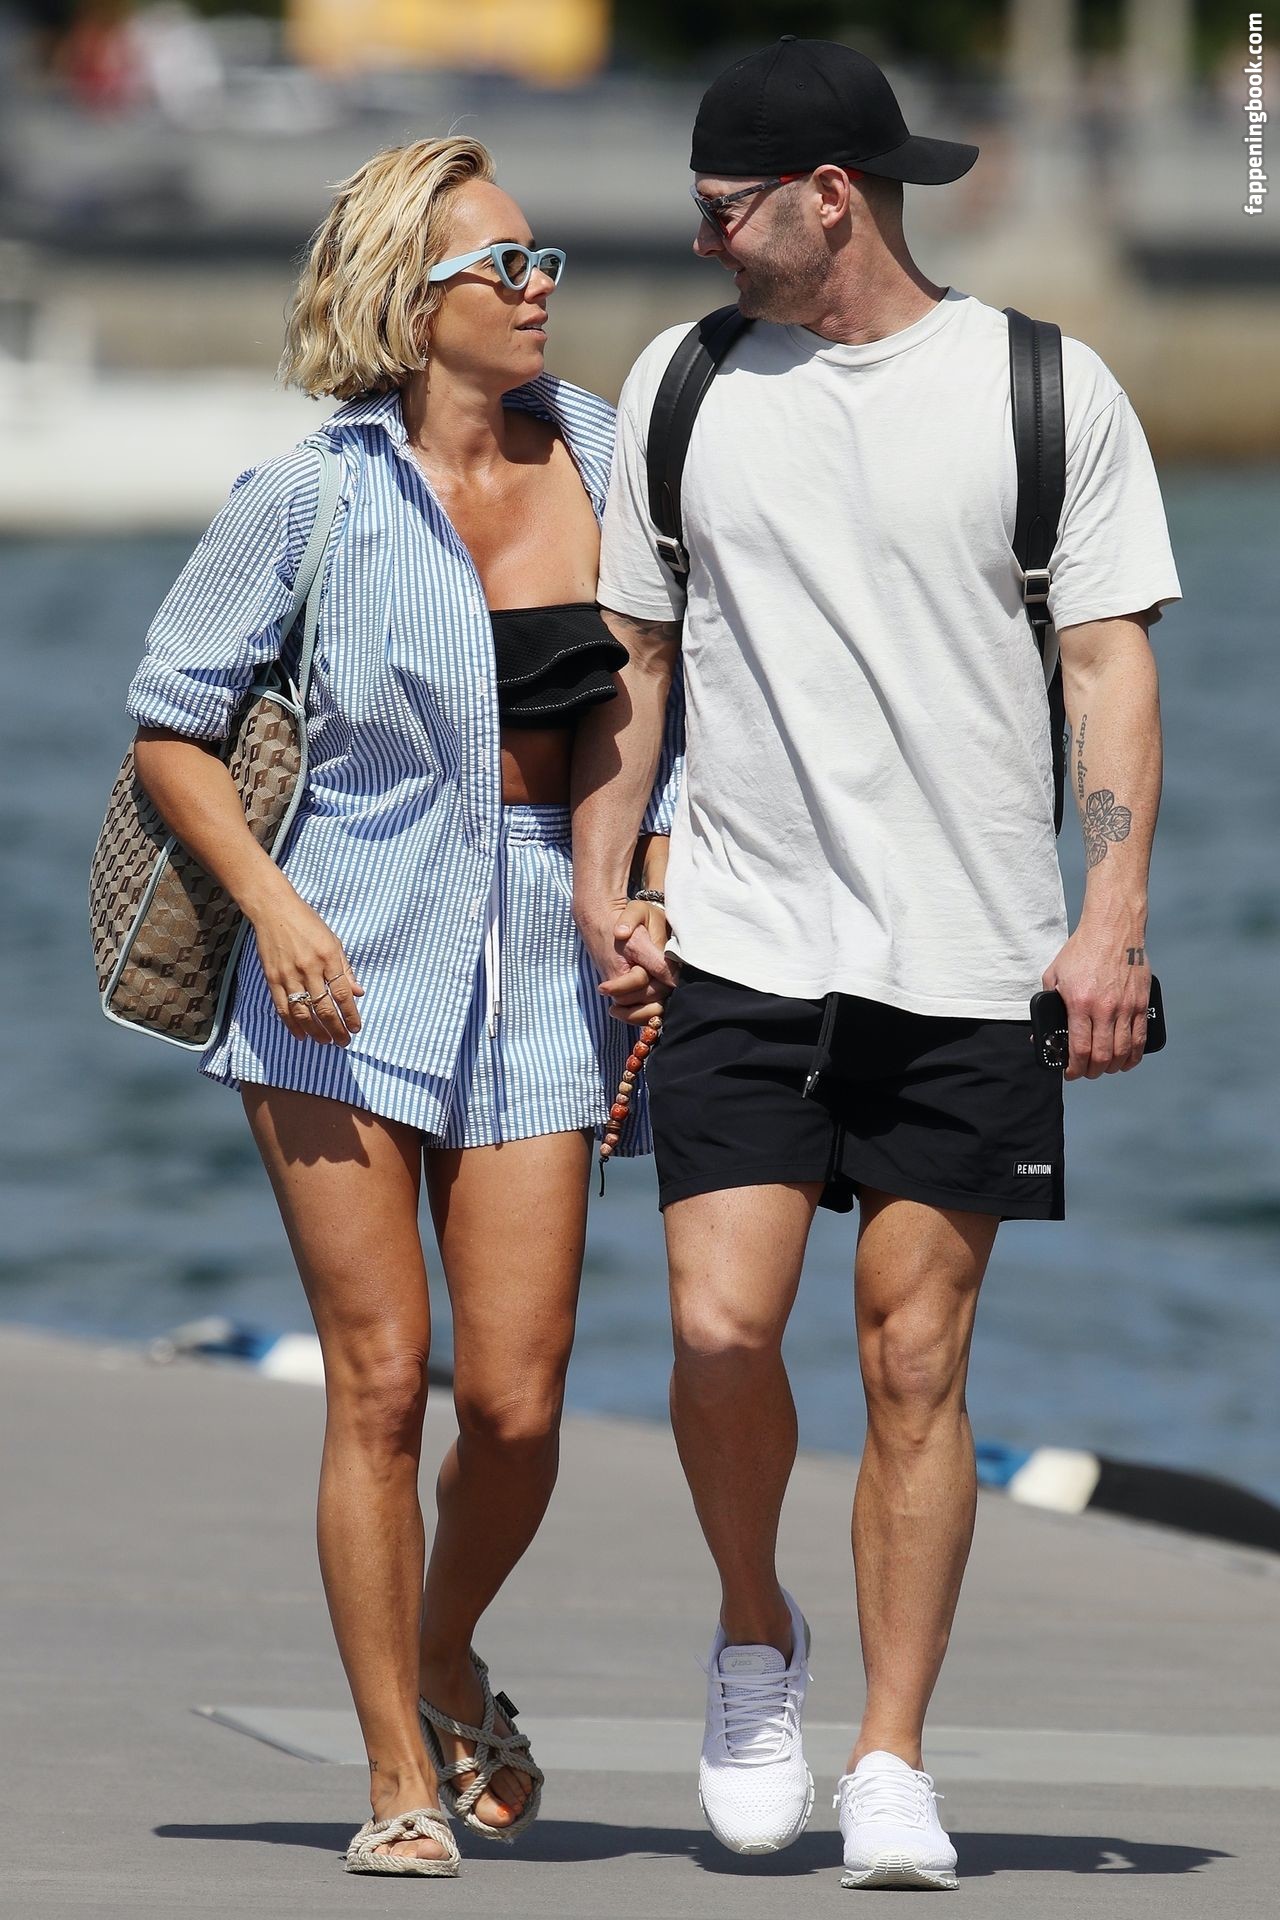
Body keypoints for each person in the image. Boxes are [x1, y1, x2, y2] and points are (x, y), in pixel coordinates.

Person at [573, 37, 1180, 1892]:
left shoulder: (1042, 391)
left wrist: (1110, 919)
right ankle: (756, 1636)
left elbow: (1108, 667)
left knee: (916, 1361)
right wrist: (608, 878)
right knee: (716, 1327)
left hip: (971, 952)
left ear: (831, 197)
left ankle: (894, 1755)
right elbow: (635, 656)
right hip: (744, 934)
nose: (701, 238)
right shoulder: (681, 383)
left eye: (724, 208)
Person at [124, 136, 676, 1877]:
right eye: (501, 265)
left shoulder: (610, 457)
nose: (536, 288)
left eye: (542, 259)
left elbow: (670, 698)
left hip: (547, 953)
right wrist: (272, 905)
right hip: (338, 961)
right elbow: (171, 722)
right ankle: (394, 1780)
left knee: (515, 1400)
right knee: (379, 1379)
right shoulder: (310, 494)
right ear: (408, 300)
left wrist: (647, 882)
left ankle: (443, 1652)